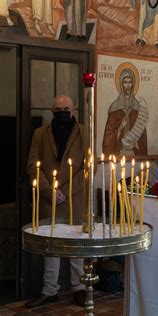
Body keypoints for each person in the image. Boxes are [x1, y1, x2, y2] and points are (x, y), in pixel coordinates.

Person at [25, 96, 86, 308]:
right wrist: (49, 190)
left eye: (66, 109)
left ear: (73, 109)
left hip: (75, 198)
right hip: (48, 199)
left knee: (76, 245)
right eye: (58, 109)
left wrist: (66, 191)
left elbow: (89, 168)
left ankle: (79, 288)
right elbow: (33, 166)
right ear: (52, 111)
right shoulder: (40, 133)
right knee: (51, 246)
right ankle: (49, 290)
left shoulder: (84, 132)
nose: (62, 112)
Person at [102, 67, 148, 156]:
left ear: (133, 84)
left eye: (130, 82)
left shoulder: (137, 107)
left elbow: (143, 135)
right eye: (125, 82)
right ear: (121, 84)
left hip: (133, 153)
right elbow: (107, 137)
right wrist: (120, 128)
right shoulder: (115, 107)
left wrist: (136, 140)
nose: (128, 86)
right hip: (118, 153)